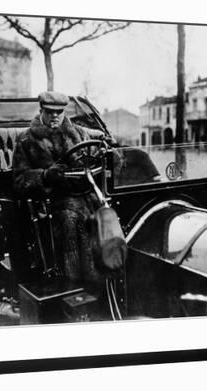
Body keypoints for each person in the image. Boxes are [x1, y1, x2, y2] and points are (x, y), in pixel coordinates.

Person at [12, 91, 122, 283]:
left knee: (112, 212)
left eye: (59, 112)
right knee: (71, 218)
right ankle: (76, 281)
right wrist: (44, 176)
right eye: (49, 112)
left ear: (64, 112)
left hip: (88, 194)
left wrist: (111, 156)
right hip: (51, 201)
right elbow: (19, 181)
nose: (54, 116)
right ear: (41, 111)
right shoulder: (26, 140)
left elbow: (99, 159)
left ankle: (115, 274)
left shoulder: (81, 134)